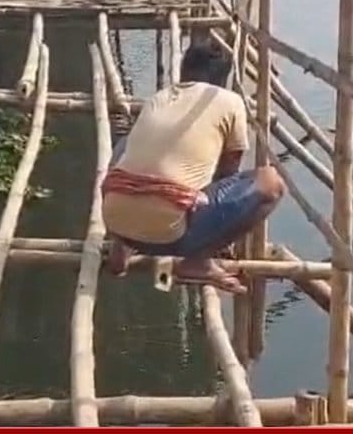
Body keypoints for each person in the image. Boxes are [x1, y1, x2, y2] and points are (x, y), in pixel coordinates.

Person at [100, 41, 284, 294]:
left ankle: (120, 246)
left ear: (183, 71)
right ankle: (199, 261)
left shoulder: (159, 98)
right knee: (270, 182)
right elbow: (228, 172)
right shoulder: (229, 101)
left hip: (115, 220)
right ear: (222, 79)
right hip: (171, 235)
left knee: (127, 146)